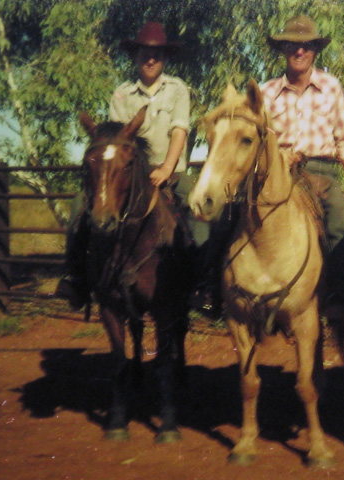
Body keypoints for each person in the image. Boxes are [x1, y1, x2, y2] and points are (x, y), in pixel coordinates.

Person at [56, 21, 205, 310]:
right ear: (136, 57)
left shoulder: (177, 90)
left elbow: (179, 132)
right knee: (79, 206)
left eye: (157, 54)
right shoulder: (122, 94)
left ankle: (201, 282)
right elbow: (116, 141)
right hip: (131, 176)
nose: (150, 59)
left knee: (197, 209)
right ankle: (75, 277)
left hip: (170, 172)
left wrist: (166, 169)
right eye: (144, 54)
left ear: (164, 58)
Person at [260, 14, 344, 303]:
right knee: (237, 215)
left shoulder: (331, 87)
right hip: (278, 174)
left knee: (343, 225)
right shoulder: (266, 93)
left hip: (322, 172)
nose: (299, 51)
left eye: (307, 46)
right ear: (283, 49)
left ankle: (336, 295)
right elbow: (257, 142)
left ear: (315, 51)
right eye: (292, 45)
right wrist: (277, 156)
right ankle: (229, 290)